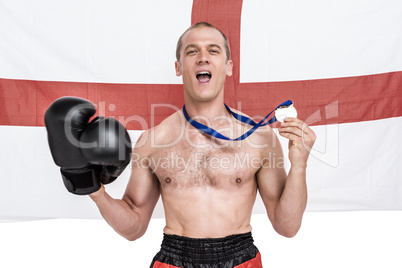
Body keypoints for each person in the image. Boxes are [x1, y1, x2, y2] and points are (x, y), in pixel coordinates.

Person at [46, 22, 316, 268]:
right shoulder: (152, 142)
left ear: (229, 66)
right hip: (174, 257)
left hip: (242, 257)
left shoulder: (260, 139)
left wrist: (300, 164)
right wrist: (94, 190)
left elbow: (287, 226)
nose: (203, 57)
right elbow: (134, 228)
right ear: (178, 67)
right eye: (191, 51)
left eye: (213, 50)